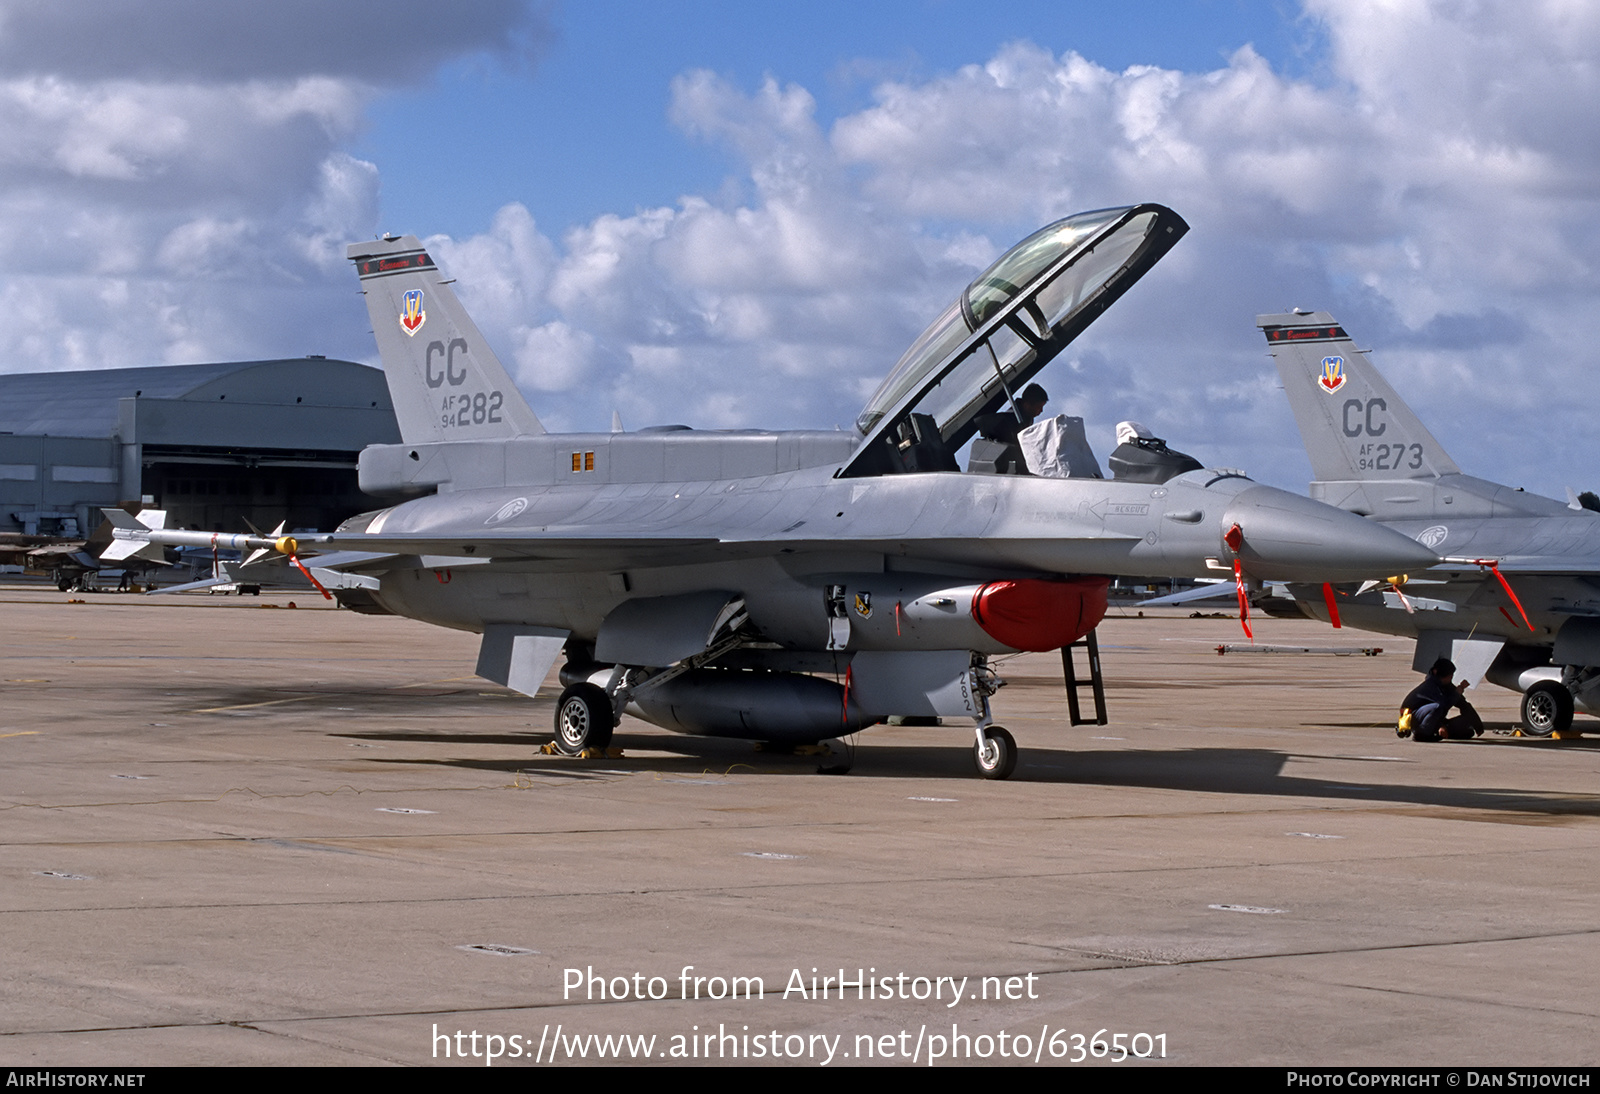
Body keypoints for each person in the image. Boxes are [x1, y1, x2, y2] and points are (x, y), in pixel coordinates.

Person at [1398, 657, 1483, 741]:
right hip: (1415, 718)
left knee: (1468, 731)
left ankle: (1438, 732)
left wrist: (1478, 726)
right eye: (1449, 676)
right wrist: (1457, 693)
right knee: (1437, 707)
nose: (1451, 678)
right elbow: (1444, 705)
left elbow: (1463, 704)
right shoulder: (1430, 686)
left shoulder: (1446, 685)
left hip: (1434, 720)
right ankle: (1421, 734)